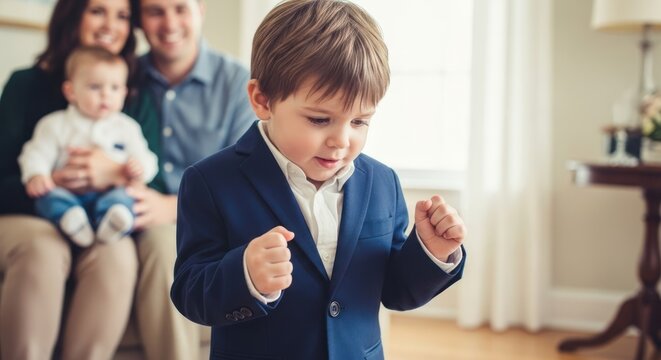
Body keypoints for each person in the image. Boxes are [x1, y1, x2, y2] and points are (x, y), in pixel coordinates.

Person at [170, 1, 467, 359]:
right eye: (320, 120)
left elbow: (397, 292)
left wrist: (431, 252)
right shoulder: (210, 181)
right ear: (262, 100)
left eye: (359, 122)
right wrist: (245, 275)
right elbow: (190, 292)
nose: (342, 141)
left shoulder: (381, 182)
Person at [0, 0, 158, 358]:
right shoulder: (26, 85)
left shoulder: (132, 93)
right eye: (97, 11)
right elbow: (5, 175)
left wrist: (115, 174)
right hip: (32, 211)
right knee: (42, 248)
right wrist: (49, 182)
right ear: (72, 16)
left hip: (103, 208)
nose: (111, 25)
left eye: (121, 16)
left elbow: (152, 175)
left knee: (116, 253)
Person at [129, 0, 256, 358]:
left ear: (200, 10)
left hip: (204, 224)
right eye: (155, 11)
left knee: (163, 245)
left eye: (180, 8)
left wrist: (172, 207)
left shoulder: (235, 83)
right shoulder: (124, 77)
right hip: (127, 216)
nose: (169, 23)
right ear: (140, 18)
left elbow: (244, 175)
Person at [19, 46, 159, 248]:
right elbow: (36, 153)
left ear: (124, 93)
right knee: (47, 198)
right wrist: (36, 175)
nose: (105, 95)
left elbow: (146, 157)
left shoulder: (127, 127)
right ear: (70, 91)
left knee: (127, 197)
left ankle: (112, 222)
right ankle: (71, 220)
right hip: (67, 194)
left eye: (115, 88)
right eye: (95, 87)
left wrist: (139, 169)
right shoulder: (55, 124)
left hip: (111, 193)